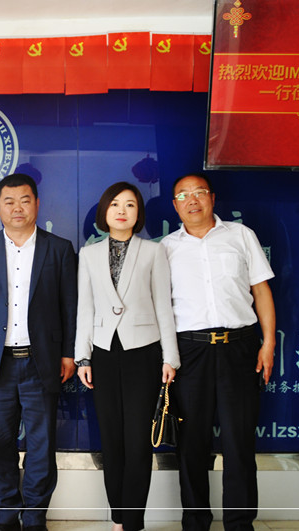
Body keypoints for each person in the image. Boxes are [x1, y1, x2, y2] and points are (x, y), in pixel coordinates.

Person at [0, 173, 78, 531]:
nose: (17, 208)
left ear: (36, 204)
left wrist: (69, 353)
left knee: (42, 444)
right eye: (9, 201)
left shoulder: (59, 249)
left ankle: (36, 516)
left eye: (25, 200)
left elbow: (70, 307)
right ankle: (6, 514)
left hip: (42, 362)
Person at [162, 172, 275, 531]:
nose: (192, 200)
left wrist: (268, 343)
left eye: (199, 192)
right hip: (189, 352)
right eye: (184, 195)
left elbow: (261, 291)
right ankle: (196, 522)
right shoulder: (165, 248)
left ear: (212, 198)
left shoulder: (241, 236)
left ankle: (240, 523)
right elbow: (160, 308)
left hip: (239, 348)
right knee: (191, 444)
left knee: (239, 441)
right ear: (175, 205)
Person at [74, 182, 180, 531]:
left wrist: (170, 357)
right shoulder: (88, 254)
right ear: (104, 212)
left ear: (139, 213)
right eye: (115, 204)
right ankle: (118, 518)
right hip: (103, 353)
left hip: (144, 352)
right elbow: (85, 308)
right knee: (111, 440)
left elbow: (163, 306)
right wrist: (82, 357)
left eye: (130, 204)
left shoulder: (153, 251)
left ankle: (133, 521)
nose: (122, 210)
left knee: (138, 442)